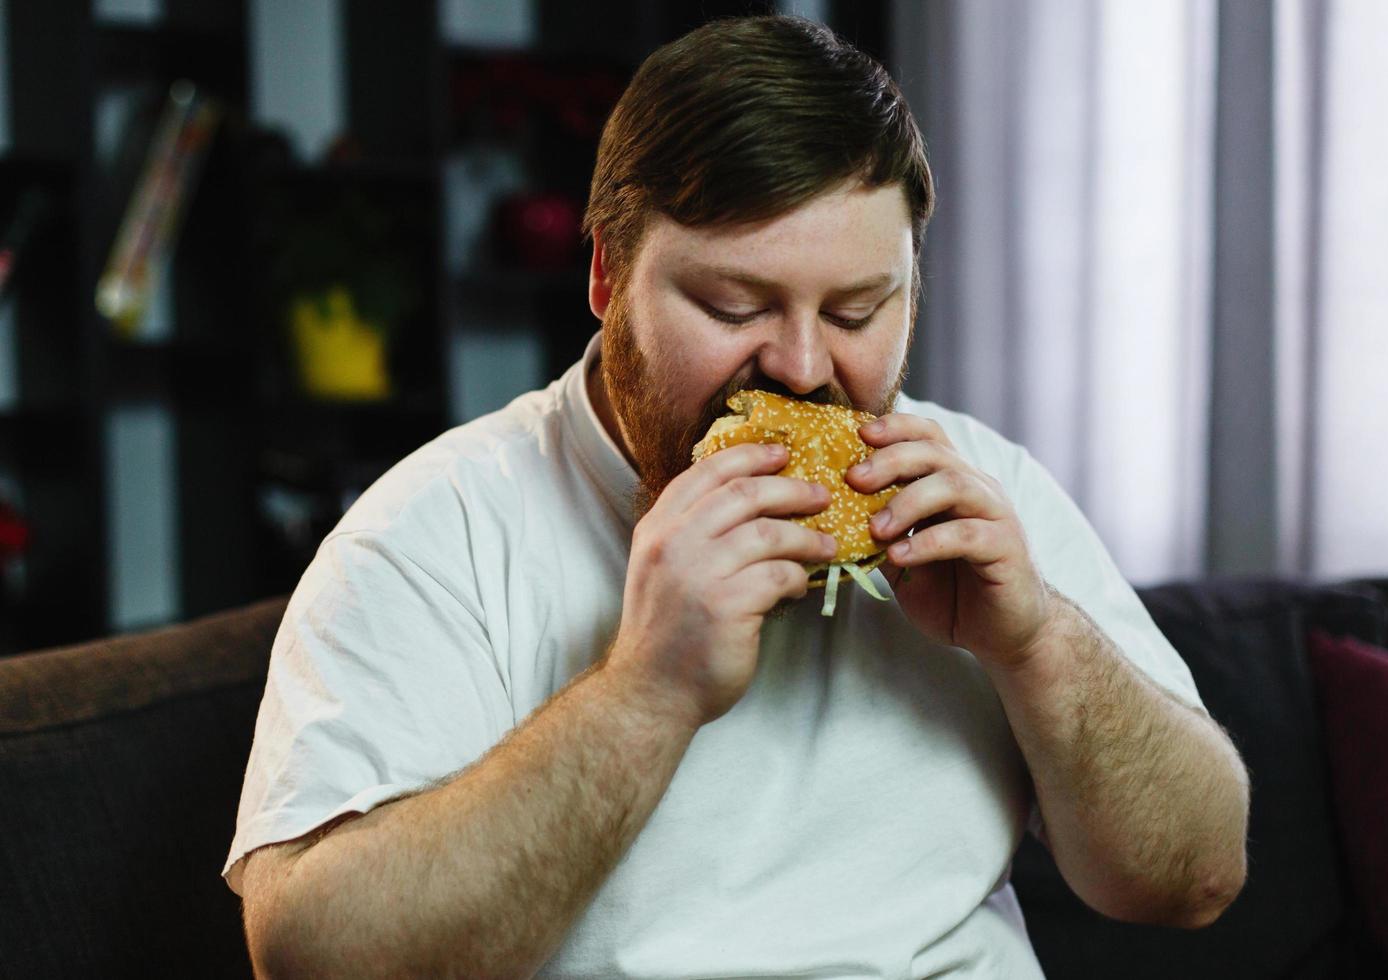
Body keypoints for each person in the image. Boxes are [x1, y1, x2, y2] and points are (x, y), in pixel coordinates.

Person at [227, 15, 1250, 978]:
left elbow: (1197, 876)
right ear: (606, 278)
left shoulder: (982, 486)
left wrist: (1036, 641)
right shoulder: (433, 532)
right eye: (733, 304)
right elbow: (313, 952)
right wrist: (650, 688)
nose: (803, 367)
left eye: (857, 309)